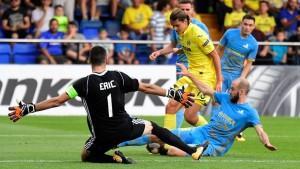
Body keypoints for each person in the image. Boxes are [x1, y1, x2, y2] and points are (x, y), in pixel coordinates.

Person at [8, 46, 207, 164]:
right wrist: (173, 93)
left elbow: (57, 101)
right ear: (107, 59)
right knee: (154, 127)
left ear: (89, 60)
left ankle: (114, 159)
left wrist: (29, 108)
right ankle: (192, 151)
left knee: (86, 156)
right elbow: (146, 87)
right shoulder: (118, 76)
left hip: (102, 135)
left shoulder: (82, 83)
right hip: (126, 128)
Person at [122, 63, 277, 157]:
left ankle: (162, 148)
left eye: (233, 89)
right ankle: (120, 142)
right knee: (157, 133)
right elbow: (205, 88)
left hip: (214, 145)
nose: (229, 91)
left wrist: (267, 143)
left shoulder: (250, 112)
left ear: (242, 92)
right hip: (200, 132)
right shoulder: (224, 97)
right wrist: (189, 74)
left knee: (175, 152)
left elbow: (260, 131)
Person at [150, 8, 222, 129]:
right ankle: (168, 143)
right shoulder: (181, 33)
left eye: (177, 25)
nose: (175, 29)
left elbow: (214, 54)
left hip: (205, 79)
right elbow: (191, 47)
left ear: (185, 21)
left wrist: (219, 79)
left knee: (190, 116)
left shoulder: (198, 33)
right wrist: (160, 52)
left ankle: (211, 136)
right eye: (173, 26)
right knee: (171, 106)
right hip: (190, 74)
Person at [216, 14, 258, 141]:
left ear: (253, 27)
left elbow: (248, 64)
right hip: (222, 72)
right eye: (245, 24)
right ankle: (218, 128)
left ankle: (236, 129)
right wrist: (216, 70)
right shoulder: (229, 33)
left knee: (234, 102)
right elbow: (218, 50)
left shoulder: (253, 44)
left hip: (236, 76)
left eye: (250, 25)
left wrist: (241, 79)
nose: (247, 27)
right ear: (241, 24)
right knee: (217, 100)